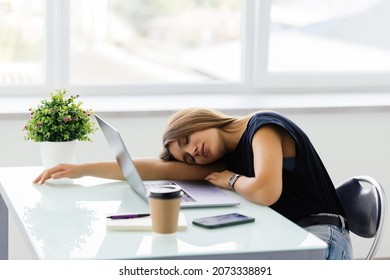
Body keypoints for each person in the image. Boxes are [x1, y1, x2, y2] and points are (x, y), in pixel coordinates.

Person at [34, 108, 352, 260]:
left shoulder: (263, 128)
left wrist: (231, 179)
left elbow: (266, 191)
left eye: (187, 139)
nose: (193, 152)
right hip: (288, 235)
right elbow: (156, 167)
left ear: (199, 121)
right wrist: (81, 169)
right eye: (187, 157)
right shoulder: (223, 158)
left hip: (322, 237)